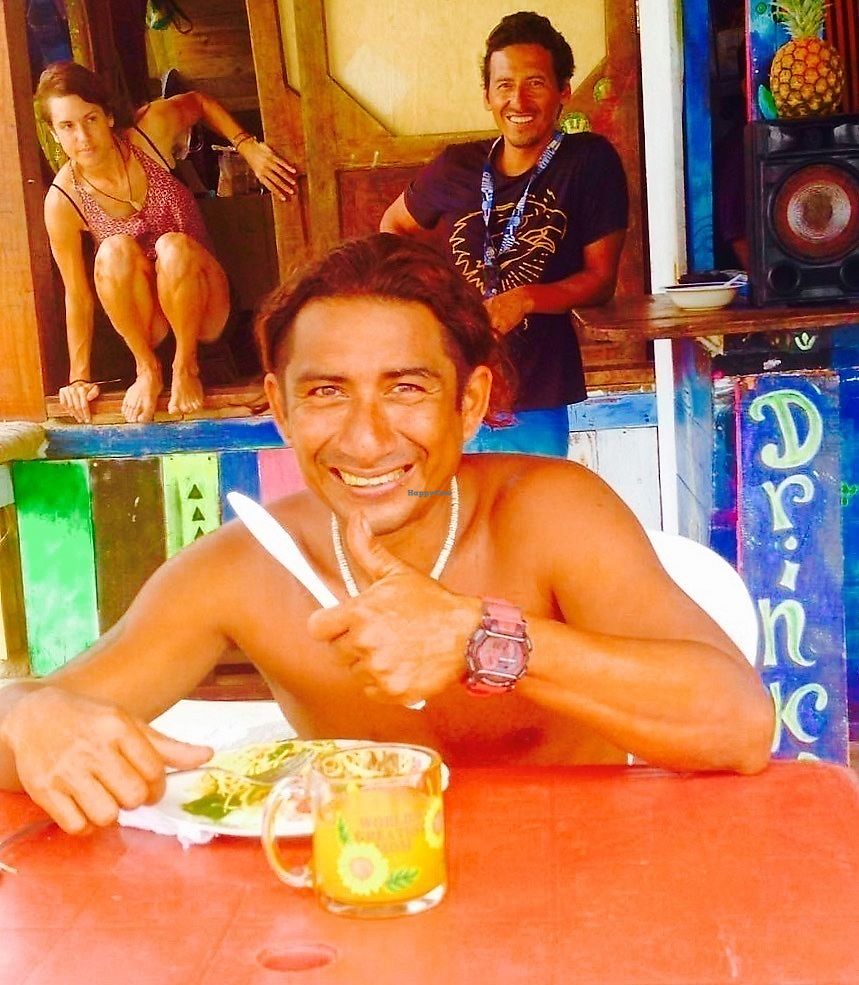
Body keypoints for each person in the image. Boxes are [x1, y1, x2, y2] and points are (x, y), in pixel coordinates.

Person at [0, 235, 773, 835]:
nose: (366, 439)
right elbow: (38, 720)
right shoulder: (242, 568)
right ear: (280, 407)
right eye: (325, 392)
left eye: (405, 388)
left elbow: (738, 724)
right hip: (361, 899)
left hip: (579, 892)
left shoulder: (549, 515)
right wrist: (26, 712)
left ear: (468, 403)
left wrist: (479, 638)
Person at [380, 11, 628, 458]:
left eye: (535, 83)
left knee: (533, 502)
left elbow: (600, 279)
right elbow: (393, 226)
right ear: (487, 96)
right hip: (449, 386)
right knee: (446, 501)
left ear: (563, 91)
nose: (518, 100)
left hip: (536, 389)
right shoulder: (456, 166)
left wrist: (526, 298)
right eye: (504, 85)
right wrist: (425, 302)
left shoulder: (589, 163)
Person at [35, 61, 298, 424]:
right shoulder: (62, 200)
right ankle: (147, 369)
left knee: (172, 247)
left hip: (205, 306)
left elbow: (199, 103)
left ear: (108, 116)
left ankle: (185, 366)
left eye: (90, 119)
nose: (82, 137)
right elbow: (77, 294)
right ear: (54, 133)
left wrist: (247, 147)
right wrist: (78, 377)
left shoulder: (148, 135)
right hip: (150, 326)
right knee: (112, 251)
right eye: (67, 126)